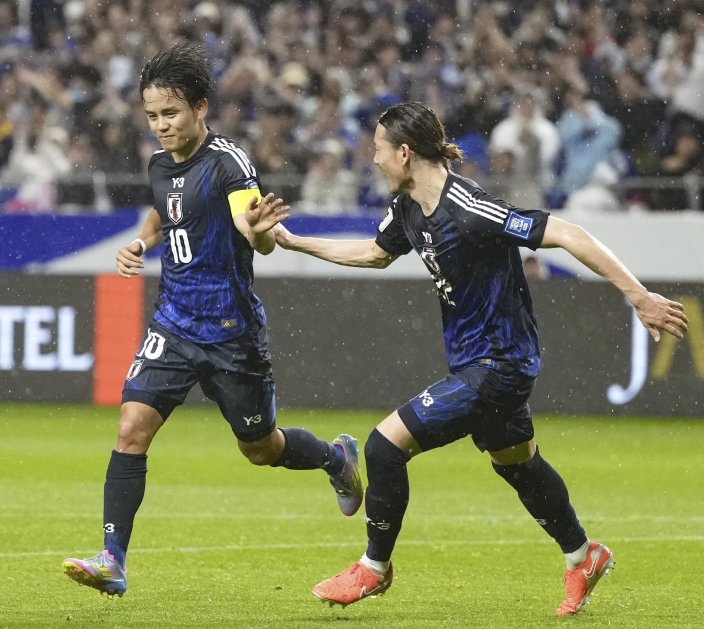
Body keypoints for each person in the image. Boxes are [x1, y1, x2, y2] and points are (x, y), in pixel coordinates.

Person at [272, 102, 688, 616]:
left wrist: (639, 296)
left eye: (379, 150)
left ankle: (373, 568)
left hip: (500, 365)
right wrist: (294, 242)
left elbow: (568, 234)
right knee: (517, 463)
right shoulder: (407, 209)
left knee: (382, 447)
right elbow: (375, 253)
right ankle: (583, 555)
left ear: (404, 153)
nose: (374, 160)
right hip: (475, 364)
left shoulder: (470, 207)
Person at [61, 40, 363, 598]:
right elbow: (162, 212)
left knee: (261, 449)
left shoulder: (228, 162)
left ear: (201, 107)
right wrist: (139, 242)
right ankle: (112, 559)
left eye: (170, 113)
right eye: (152, 116)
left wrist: (260, 229)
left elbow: (254, 233)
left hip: (230, 332)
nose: (160, 126)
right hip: (173, 324)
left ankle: (335, 457)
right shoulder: (159, 164)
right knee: (131, 429)